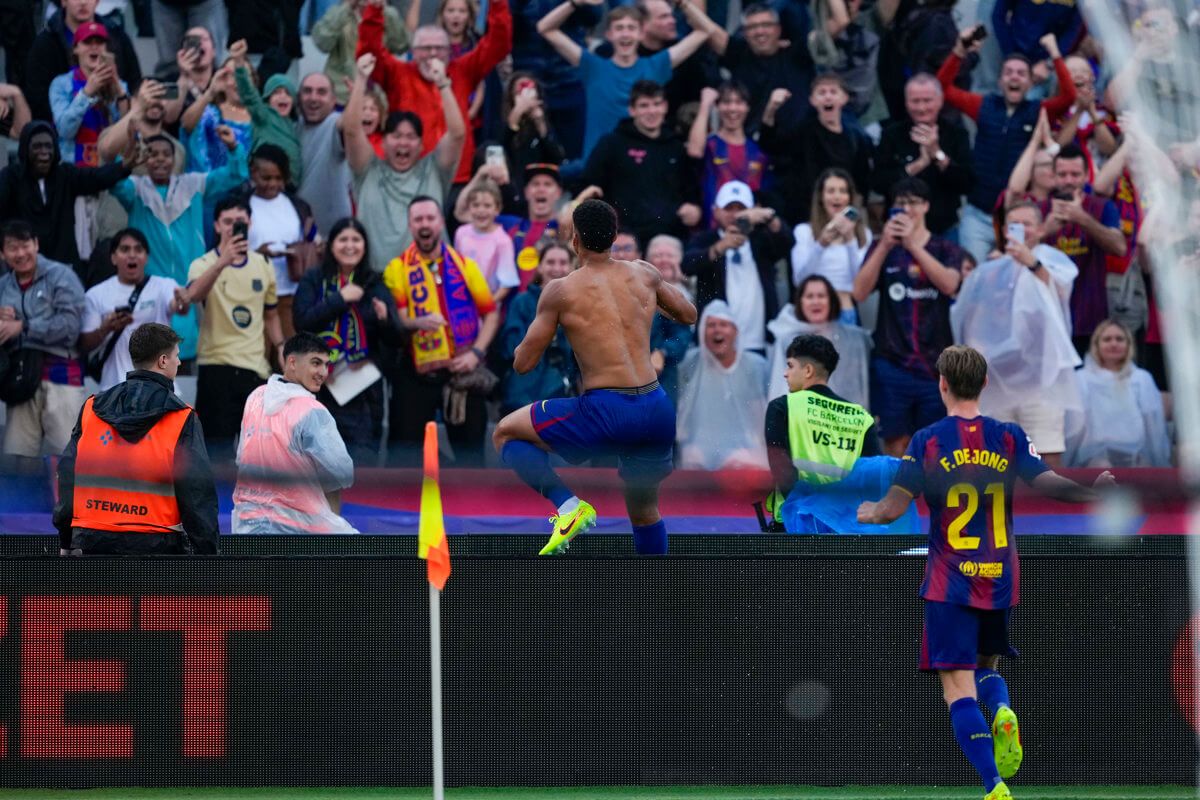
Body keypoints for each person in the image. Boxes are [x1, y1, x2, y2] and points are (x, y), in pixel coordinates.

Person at [857, 345, 1116, 800]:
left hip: (949, 580)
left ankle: (994, 784)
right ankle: (1000, 707)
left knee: (956, 689)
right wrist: (1094, 494)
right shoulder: (1010, 436)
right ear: (984, 384)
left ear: (941, 384)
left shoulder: (928, 440)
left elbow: (892, 507)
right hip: (1000, 576)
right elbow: (1048, 483)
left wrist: (869, 512)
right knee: (986, 665)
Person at [492, 198, 697, 556]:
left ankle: (568, 506)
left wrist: (547, 326)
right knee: (645, 512)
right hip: (657, 407)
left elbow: (523, 364)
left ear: (575, 240)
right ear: (615, 236)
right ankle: (659, 602)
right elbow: (689, 313)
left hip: (608, 410)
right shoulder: (645, 273)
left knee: (506, 432)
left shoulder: (560, 290)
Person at [52, 322, 218, 556]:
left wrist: (66, 540)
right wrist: (207, 555)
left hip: (93, 539)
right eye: (176, 356)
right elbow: (197, 493)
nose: (179, 362)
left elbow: (67, 473)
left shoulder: (91, 407)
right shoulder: (182, 417)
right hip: (158, 542)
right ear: (162, 361)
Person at [953, 201, 1079, 467]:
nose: (1021, 231)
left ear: (1042, 228)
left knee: (1046, 455)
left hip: (1041, 381)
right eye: (1014, 225)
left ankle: (1050, 510)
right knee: (995, 460)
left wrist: (1029, 262)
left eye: (1027, 224)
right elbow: (971, 318)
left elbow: (1058, 292)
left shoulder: (1052, 259)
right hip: (998, 380)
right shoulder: (990, 271)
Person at [109, 126, 247, 362]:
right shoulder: (135, 188)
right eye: (153, 153)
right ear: (144, 158)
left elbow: (235, 175)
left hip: (191, 286)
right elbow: (112, 180)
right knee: (151, 358)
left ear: (175, 159)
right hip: (149, 291)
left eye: (166, 153)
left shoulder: (194, 184)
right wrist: (126, 157)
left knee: (183, 357)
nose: (160, 159)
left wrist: (234, 147)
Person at [938, 29, 1074, 262]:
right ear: (1000, 80)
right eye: (1008, 72)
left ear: (1031, 82)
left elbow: (1069, 97)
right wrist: (959, 50)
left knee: (1012, 280)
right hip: (977, 213)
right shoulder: (984, 105)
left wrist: (1054, 53)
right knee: (973, 278)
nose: (1014, 77)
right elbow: (943, 88)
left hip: (1016, 215)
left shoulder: (1038, 110)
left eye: (1021, 74)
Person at [382, 195, 499, 463]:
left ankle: (467, 503)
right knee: (406, 456)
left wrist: (476, 354)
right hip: (417, 373)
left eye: (430, 218)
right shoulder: (397, 268)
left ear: (441, 222)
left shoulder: (465, 265)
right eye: (418, 219)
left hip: (462, 373)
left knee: (471, 459)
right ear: (410, 226)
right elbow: (399, 319)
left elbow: (490, 314)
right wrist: (417, 323)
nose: (425, 225)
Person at [852, 177, 963, 457]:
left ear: (925, 206)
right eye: (901, 203)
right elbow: (859, 292)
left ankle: (929, 501)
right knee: (894, 443)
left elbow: (950, 284)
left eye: (913, 202)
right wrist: (885, 246)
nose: (907, 209)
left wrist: (913, 246)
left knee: (933, 446)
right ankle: (897, 500)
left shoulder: (945, 247)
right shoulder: (882, 248)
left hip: (935, 364)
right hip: (892, 362)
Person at [536, 0, 716, 162]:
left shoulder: (657, 65)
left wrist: (682, 3)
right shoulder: (592, 67)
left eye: (631, 28)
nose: (625, 34)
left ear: (641, 33)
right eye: (619, 28)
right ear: (608, 34)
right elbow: (545, 28)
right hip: (599, 169)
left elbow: (706, 30)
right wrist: (575, 3)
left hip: (642, 167)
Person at [357, 0, 511, 187]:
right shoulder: (397, 74)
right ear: (413, 52)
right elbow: (369, 53)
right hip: (409, 175)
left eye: (439, 48)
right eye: (425, 48)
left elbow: (499, 43)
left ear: (449, 52)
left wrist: (497, 3)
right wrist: (374, 10)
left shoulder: (462, 70)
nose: (432, 54)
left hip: (456, 177)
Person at [344, 53, 466, 273]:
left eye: (411, 137)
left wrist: (443, 84)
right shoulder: (367, 169)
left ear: (420, 145)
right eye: (396, 136)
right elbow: (351, 131)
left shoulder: (434, 170)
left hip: (429, 276)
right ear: (383, 140)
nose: (403, 143)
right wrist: (361, 81)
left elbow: (457, 134)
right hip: (375, 279)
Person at [293, 218, 400, 459]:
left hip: (363, 392)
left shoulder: (375, 283)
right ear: (331, 245)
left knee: (361, 466)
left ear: (365, 246)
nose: (350, 246)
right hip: (319, 387)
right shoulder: (314, 279)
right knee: (317, 463)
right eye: (343, 239)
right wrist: (340, 299)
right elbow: (302, 321)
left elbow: (395, 339)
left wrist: (385, 320)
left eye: (356, 239)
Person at [186, 196, 284, 453]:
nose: (233, 227)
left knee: (257, 454)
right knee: (214, 453)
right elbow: (193, 296)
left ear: (250, 223)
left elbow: (271, 315)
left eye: (239, 221)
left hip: (255, 369)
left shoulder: (263, 264)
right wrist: (222, 262)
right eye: (227, 222)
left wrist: (281, 346)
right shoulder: (203, 264)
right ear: (217, 226)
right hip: (216, 366)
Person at [232, 332, 357, 534]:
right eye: (316, 363)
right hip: (297, 527)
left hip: (246, 524)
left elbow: (241, 458)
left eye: (326, 364)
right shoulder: (312, 411)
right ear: (292, 362)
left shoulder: (255, 397)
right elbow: (342, 473)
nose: (323, 372)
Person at [765, 332, 881, 531]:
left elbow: (781, 472)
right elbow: (873, 480)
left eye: (790, 365)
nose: (785, 373)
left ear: (808, 370)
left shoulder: (783, 407)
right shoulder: (861, 417)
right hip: (846, 529)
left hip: (795, 525)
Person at [0, 220, 86, 460]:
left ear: (36, 244)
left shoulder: (61, 275)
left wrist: (24, 327)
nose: (20, 253)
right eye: (12, 248)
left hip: (61, 378)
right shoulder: (2, 286)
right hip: (21, 382)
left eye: (25, 245)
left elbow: (71, 327)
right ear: (2, 253)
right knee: (17, 461)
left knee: (69, 460)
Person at [0, 120, 134, 274]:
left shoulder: (64, 175)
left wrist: (124, 166)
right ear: (25, 149)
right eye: (37, 146)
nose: (44, 151)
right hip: (23, 265)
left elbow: (95, 177)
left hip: (63, 265)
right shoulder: (10, 178)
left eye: (48, 146)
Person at [580, 80, 701, 247]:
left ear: (665, 106)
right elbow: (589, 187)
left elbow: (691, 189)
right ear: (632, 110)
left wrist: (694, 208)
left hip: (668, 240)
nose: (652, 111)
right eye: (644, 105)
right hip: (624, 241)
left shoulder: (676, 147)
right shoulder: (612, 144)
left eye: (657, 104)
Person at [1037, 143, 1128, 354]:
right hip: (1048, 318)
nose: (1069, 180)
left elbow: (1120, 247)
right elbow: (1014, 253)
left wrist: (1082, 219)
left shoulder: (1102, 207)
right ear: (1053, 175)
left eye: (1075, 174)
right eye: (1063, 174)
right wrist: (1045, 230)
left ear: (1087, 175)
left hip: (1090, 318)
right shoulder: (1038, 209)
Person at [683, 180, 790, 354]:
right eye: (728, 208)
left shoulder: (761, 239)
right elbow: (687, 265)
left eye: (740, 209)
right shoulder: (706, 239)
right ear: (716, 211)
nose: (734, 215)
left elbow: (788, 243)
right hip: (717, 345)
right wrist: (719, 247)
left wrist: (769, 217)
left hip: (759, 341)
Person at [80, 229, 191, 391]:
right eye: (125, 249)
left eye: (138, 249)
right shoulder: (96, 294)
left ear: (146, 257)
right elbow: (84, 345)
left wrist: (183, 300)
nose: (132, 255)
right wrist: (106, 328)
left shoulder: (164, 286)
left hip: (159, 390)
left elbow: (178, 307)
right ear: (113, 257)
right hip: (115, 390)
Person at [759, 73, 873, 226]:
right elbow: (771, 145)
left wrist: (851, 219)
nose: (828, 97)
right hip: (807, 216)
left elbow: (861, 186)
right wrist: (771, 109)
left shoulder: (856, 137)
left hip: (844, 217)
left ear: (844, 98)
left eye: (833, 92)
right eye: (822, 92)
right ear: (812, 100)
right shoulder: (804, 131)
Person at [873, 73, 973, 238]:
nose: (921, 108)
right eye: (915, 101)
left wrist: (937, 153)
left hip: (943, 228)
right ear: (906, 103)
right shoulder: (891, 135)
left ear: (940, 101)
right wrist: (918, 164)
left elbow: (966, 184)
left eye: (927, 101)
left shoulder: (957, 134)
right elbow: (878, 182)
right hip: (899, 228)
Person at [676, 300, 769, 471]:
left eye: (724, 324)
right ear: (702, 332)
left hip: (743, 448)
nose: (717, 330)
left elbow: (759, 414)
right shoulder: (690, 362)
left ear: (735, 331)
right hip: (699, 449)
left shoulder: (756, 365)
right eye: (711, 325)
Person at [1065, 319, 1170, 468]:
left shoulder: (1141, 378)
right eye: (1107, 339)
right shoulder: (1081, 378)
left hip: (1136, 453)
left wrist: (1158, 460)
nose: (1113, 344)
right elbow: (1074, 425)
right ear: (1096, 344)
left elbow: (1153, 425)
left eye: (1119, 339)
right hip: (1093, 455)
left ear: (1128, 344)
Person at [239, 144, 318, 340]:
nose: (272, 184)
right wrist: (259, 253)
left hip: (291, 295)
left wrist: (312, 246)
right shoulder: (240, 206)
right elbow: (227, 249)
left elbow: (312, 237)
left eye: (279, 178)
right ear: (253, 173)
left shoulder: (298, 205)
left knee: (288, 360)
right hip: (252, 296)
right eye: (266, 178)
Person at [25, 0, 143, 124]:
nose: (83, 2)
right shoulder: (45, 42)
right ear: (63, 2)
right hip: (61, 131)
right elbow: (37, 98)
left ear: (98, 2)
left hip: (114, 127)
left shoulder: (117, 35)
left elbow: (135, 83)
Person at [767, 274, 871, 410]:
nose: (816, 302)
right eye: (809, 296)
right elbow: (779, 388)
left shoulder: (852, 338)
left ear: (831, 301)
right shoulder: (786, 341)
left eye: (821, 296)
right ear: (800, 302)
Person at [498, 241, 576, 415]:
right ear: (540, 267)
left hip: (560, 398)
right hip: (521, 395)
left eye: (563, 263)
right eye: (550, 262)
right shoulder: (522, 302)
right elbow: (510, 347)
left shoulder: (578, 304)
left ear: (571, 267)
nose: (557, 268)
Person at [790, 167, 871, 323]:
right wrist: (821, 244)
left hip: (845, 311)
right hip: (814, 314)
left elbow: (860, 283)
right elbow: (799, 280)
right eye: (831, 191)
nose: (837, 197)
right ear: (821, 196)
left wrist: (850, 240)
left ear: (850, 197)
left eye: (843, 191)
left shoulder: (863, 234)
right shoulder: (804, 231)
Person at [687, 82, 768, 227]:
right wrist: (705, 105)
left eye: (738, 102)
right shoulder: (710, 145)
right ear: (717, 107)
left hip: (748, 232)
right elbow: (694, 150)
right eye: (726, 102)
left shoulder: (757, 151)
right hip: (712, 230)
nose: (732, 108)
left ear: (747, 107)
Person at [48, 21, 130, 166]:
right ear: (75, 49)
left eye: (99, 42)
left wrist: (119, 90)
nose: (94, 47)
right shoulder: (61, 84)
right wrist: (87, 92)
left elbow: (128, 132)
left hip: (109, 168)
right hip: (73, 170)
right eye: (87, 42)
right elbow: (65, 130)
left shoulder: (120, 86)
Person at [232, 40, 302, 188]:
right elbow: (249, 95)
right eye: (276, 93)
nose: (282, 97)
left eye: (287, 93)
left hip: (288, 186)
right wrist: (239, 63)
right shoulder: (264, 115)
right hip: (263, 183)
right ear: (267, 100)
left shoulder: (294, 125)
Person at [312, 0, 409, 105]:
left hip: (376, 99)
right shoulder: (339, 12)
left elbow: (401, 46)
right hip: (340, 95)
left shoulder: (388, 14)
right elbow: (322, 43)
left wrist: (385, 12)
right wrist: (346, 7)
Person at [296, 71, 353, 235]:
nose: (313, 97)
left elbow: (349, 126)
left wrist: (357, 98)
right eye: (307, 91)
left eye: (321, 92)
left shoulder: (334, 123)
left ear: (333, 100)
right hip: (297, 234)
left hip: (332, 234)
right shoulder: (293, 125)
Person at [497, 162, 564, 291]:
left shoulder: (564, 228)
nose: (541, 189)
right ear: (526, 192)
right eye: (535, 184)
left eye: (548, 184)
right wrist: (481, 175)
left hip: (548, 305)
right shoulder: (509, 224)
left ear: (558, 193)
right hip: (513, 308)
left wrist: (580, 198)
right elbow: (463, 214)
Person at [453, 177, 519, 305]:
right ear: (469, 208)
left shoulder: (502, 241)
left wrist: (486, 305)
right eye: (476, 205)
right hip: (461, 303)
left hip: (489, 304)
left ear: (497, 209)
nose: (481, 210)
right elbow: (455, 270)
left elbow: (506, 284)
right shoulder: (461, 233)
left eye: (487, 206)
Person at [646, 234, 693, 403]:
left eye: (669, 255)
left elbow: (681, 334)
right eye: (657, 256)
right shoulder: (640, 292)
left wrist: (663, 351)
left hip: (676, 368)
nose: (663, 260)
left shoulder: (691, 290)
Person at [501, 72, 567, 190]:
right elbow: (502, 148)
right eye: (520, 92)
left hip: (539, 186)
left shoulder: (546, 121)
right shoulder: (502, 121)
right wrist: (517, 111)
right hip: (513, 186)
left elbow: (557, 158)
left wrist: (540, 123)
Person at [150, 0, 229, 78]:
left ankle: (219, 88)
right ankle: (174, 89)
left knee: (213, 60)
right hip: (164, 3)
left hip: (205, 3)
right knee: (170, 66)